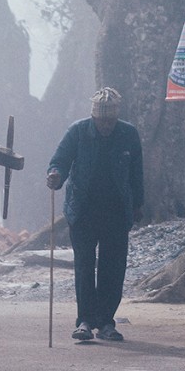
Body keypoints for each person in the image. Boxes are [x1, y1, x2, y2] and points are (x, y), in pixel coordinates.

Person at [45, 87, 144, 342]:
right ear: (94, 117)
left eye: (110, 121)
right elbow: (60, 161)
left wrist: (138, 205)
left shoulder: (128, 134)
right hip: (83, 211)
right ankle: (85, 321)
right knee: (85, 266)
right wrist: (55, 175)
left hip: (116, 212)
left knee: (113, 267)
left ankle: (107, 322)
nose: (106, 126)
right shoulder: (77, 132)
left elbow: (137, 174)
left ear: (116, 118)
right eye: (102, 121)